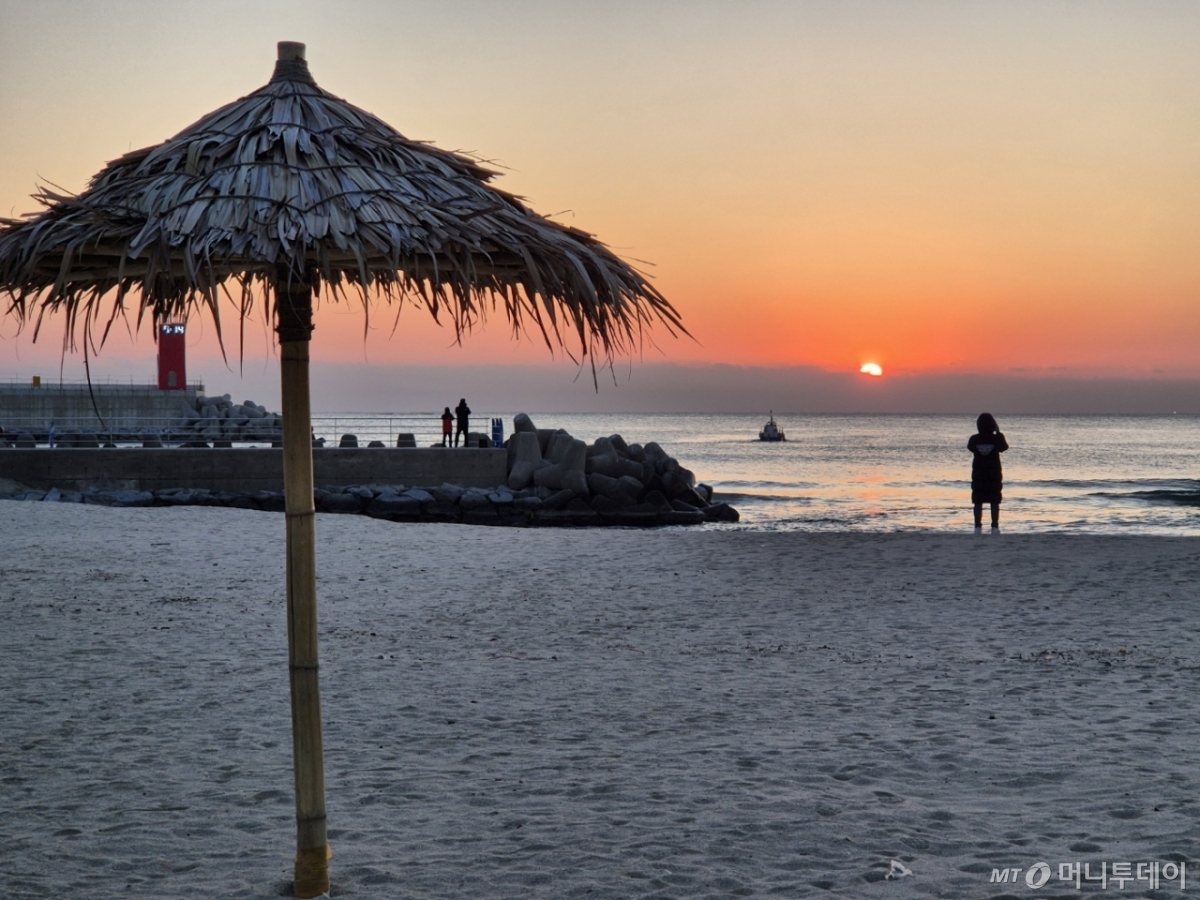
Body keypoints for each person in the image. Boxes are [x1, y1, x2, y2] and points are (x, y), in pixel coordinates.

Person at [968, 412, 1008, 531]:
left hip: (978, 474)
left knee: (978, 501)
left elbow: (970, 448)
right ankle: (995, 526)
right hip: (994, 474)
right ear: (993, 425)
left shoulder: (974, 439)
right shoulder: (997, 439)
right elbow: (1004, 447)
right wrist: (998, 432)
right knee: (994, 500)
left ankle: (977, 526)